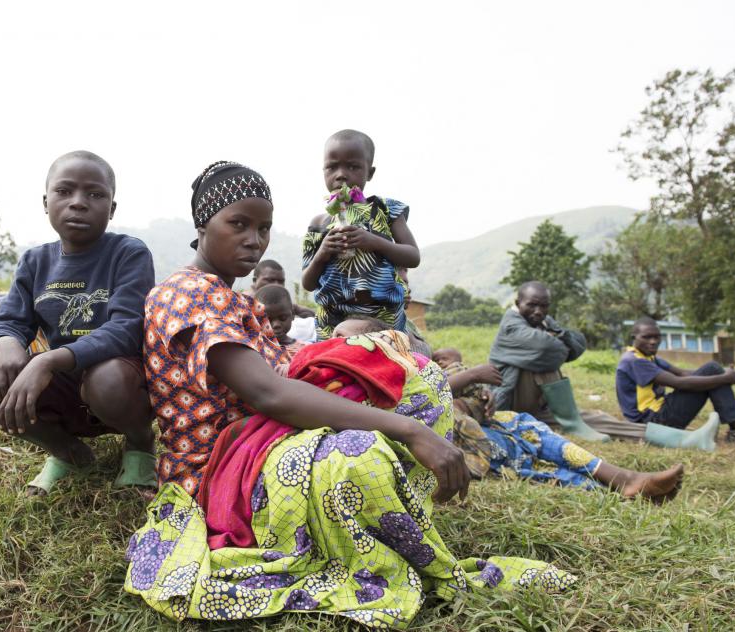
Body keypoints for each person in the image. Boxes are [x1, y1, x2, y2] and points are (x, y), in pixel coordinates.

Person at [125, 161, 574, 628]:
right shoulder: (187, 294)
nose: (254, 239)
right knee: (360, 453)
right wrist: (409, 429)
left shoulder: (235, 298)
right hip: (220, 469)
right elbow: (269, 393)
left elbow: (283, 367)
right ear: (202, 227)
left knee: (414, 375)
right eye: (237, 224)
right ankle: (355, 534)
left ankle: (383, 516)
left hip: (261, 441)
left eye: (263, 228)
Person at [0, 150, 156, 496]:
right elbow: (5, 321)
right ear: (46, 201)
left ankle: (139, 443)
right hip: (64, 386)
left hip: (120, 384)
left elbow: (128, 328)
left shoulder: (128, 253)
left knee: (109, 379)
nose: (78, 203)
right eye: (65, 191)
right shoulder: (36, 262)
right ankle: (67, 451)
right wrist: (5, 343)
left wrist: (50, 359)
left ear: (111, 209)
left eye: (95, 194)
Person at [334, 319, 684, 500]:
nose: (332, 343)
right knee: (522, 460)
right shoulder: (339, 385)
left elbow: (438, 391)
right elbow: (425, 402)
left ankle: (619, 478)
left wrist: (475, 395)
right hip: (456, 445)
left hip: (468, 425)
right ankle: (612, 486)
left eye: (343, 337)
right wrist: (465, 383)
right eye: (333, 335)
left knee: (523, 424)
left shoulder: (395, 370)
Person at [301, 129, 420, 340]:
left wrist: (374, 241)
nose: (341, 174)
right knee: (333, 368)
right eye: (332, 167)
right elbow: (308, 283)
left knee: (383, 365)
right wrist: (323, 252)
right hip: (332, 320)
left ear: (370, 173)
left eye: (353, 166)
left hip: (381, 319)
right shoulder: (320, 223)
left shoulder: (386, 210)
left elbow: (412, 256)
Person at [489, 281, 643, 443]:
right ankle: (572, 423)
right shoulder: (511, 324)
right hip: (509, 404)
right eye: (532, 305)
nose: (538, 311)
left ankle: (661, 435)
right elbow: (546, 349)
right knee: (543, 360)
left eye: (544, 306)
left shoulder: (544, 321)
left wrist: (555, 341)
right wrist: (555, 343)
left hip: (539, 407)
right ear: (518, 303)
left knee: (596, 420)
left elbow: (579, 343)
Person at [617, 317, 735, 453]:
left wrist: (722, 374)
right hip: (650, 424)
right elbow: (679, 383)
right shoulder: (634, 361)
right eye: (646, 337)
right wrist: (724, 378)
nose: (653, 342)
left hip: (658, 415)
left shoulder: (647, 357)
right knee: (713, 369)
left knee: (713, 369)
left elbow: (682, 373)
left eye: (657, 337)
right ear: (634, 337)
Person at [254, 284, 307, 358]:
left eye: (283, 318)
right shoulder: (254, 349)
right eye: (268, 320)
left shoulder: (304, 349)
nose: (276, 324)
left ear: (293, 315)